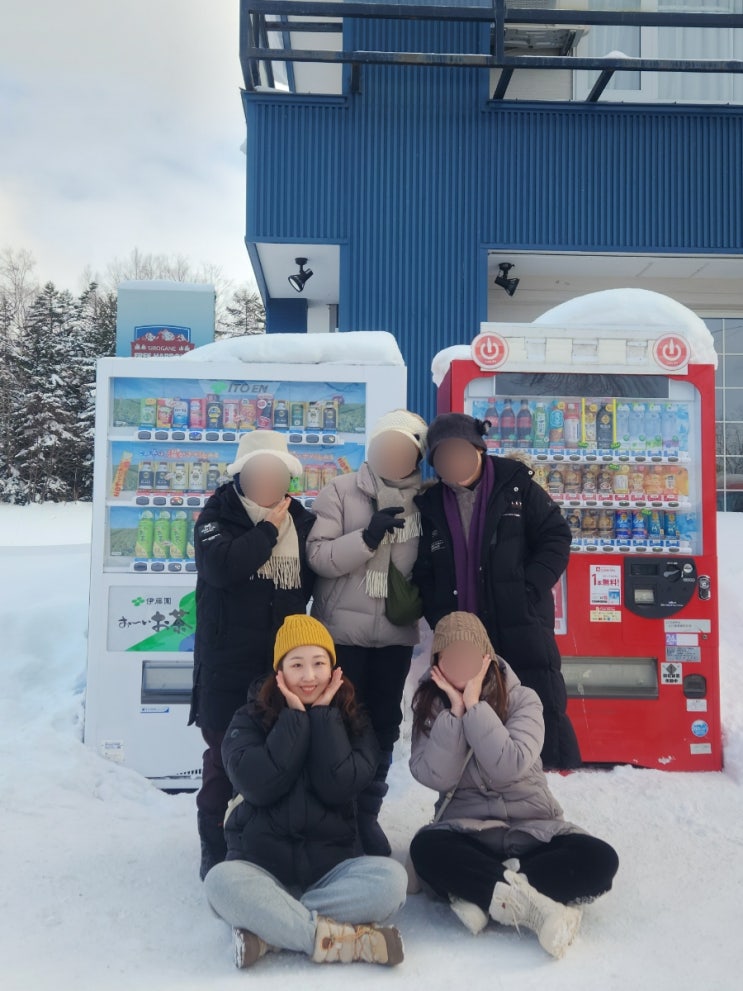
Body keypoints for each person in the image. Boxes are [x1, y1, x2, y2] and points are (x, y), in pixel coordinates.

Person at [408, 613, 618, 959]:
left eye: (468, 654)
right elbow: (437, 776)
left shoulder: (524, 699)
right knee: (425, 849)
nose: (461, 663)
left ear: (486, 657)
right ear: (438, 664)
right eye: (451, 656)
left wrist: (475, 707)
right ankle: (526, 901)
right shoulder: (430, 707)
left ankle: (482, 892)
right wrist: (455, 715)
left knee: (600, 860)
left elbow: (508, 766)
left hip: (534, 831)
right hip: (468, 835)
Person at [204, 614, 408, 969]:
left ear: (333, 669)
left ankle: (271, 930)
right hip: (259, 866)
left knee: (392, 881)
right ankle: (340, 941)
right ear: (279, 671)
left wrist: (324, 718)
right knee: (220, 882)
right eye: (297, 664)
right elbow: (259, 786)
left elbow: (338, 786)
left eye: (319, 663)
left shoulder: (354, 720)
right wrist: (295, 720)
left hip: (330, 871)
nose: (309, 676)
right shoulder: (248, 718)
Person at [413, 412, 580, 770]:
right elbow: (424, 569)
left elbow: (556, 537)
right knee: (464, 716)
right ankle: (468, 792)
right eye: (442, 456)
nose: (452, 461)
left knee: (527, 709)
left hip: (518, 620)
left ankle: (530, 784)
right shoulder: (430, 504)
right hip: (461, 632)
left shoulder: (515, 487)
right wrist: (439, 614)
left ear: (478, 449)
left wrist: (528, 588)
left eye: (459, 450)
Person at [189, 431, 315, 881]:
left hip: (280, 666)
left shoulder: (302, 520)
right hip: (226, 664)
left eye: (276, 474)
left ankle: (263, 844)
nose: (267, 482)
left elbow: (321, 574)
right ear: (240, 475)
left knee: (281, 759)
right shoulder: (216, 514)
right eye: (258, 473)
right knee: (224, 759)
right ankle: (214, 842)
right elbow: (223, 566)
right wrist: (267, 531)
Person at [307, 409, 428, 855]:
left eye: (402, 449)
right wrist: (367, 538)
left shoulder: (428, 500)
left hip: (394, 635)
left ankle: (367, 814)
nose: (391, 456)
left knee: (383, 725)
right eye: (383, 446)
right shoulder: (340, 491)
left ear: (416, 458)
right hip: (341, 633)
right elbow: (318, 557)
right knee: (338, 723)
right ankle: (336, 816)